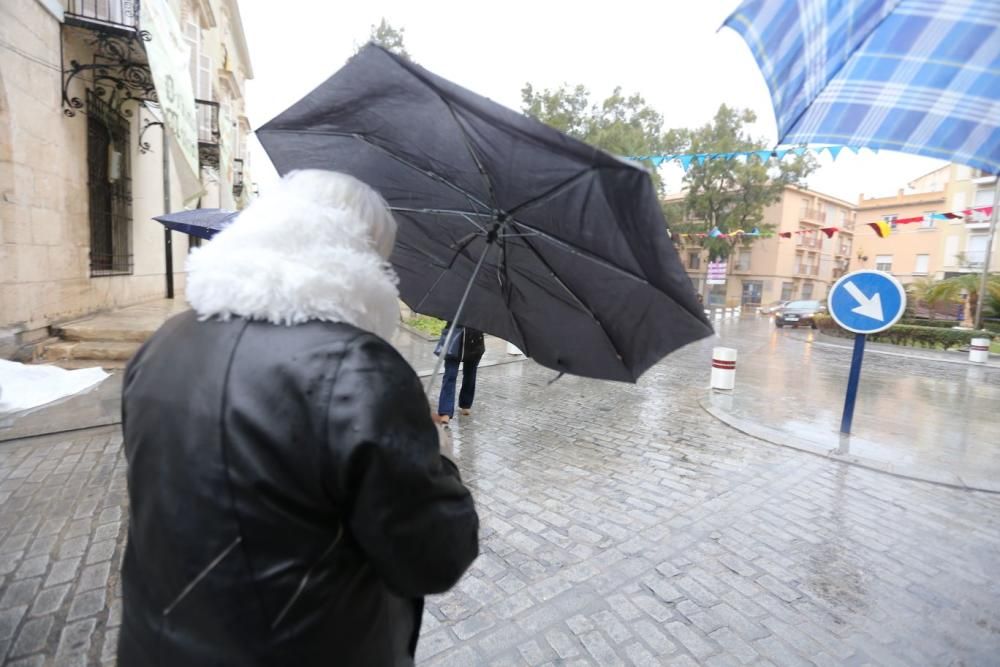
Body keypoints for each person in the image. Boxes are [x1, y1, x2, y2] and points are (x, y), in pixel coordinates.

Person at [117, 170, 480, 666]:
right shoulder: (360, 368)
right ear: (361, 256)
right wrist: (434, 466)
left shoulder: (165, 342)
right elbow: (434, 557)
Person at [435, 322, 485, 424]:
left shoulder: (483, 306)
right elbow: (442, 314)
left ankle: (465, 404)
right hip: (454, 339)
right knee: (450, 375)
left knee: (470, 374)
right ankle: (445, 412)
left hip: (474, 340)